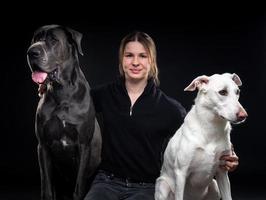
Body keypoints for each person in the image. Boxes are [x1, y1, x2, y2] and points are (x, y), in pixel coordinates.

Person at [84, 31, 239, 200]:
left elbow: (201, 136)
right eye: (129, 55)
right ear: (122, 59)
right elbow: (70, 106)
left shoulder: (169, 108)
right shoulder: (102, 95)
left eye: (143, 56)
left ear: (151, 61)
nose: (135, 62)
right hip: (106, 182)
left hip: (146, 187)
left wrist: (227, 155)